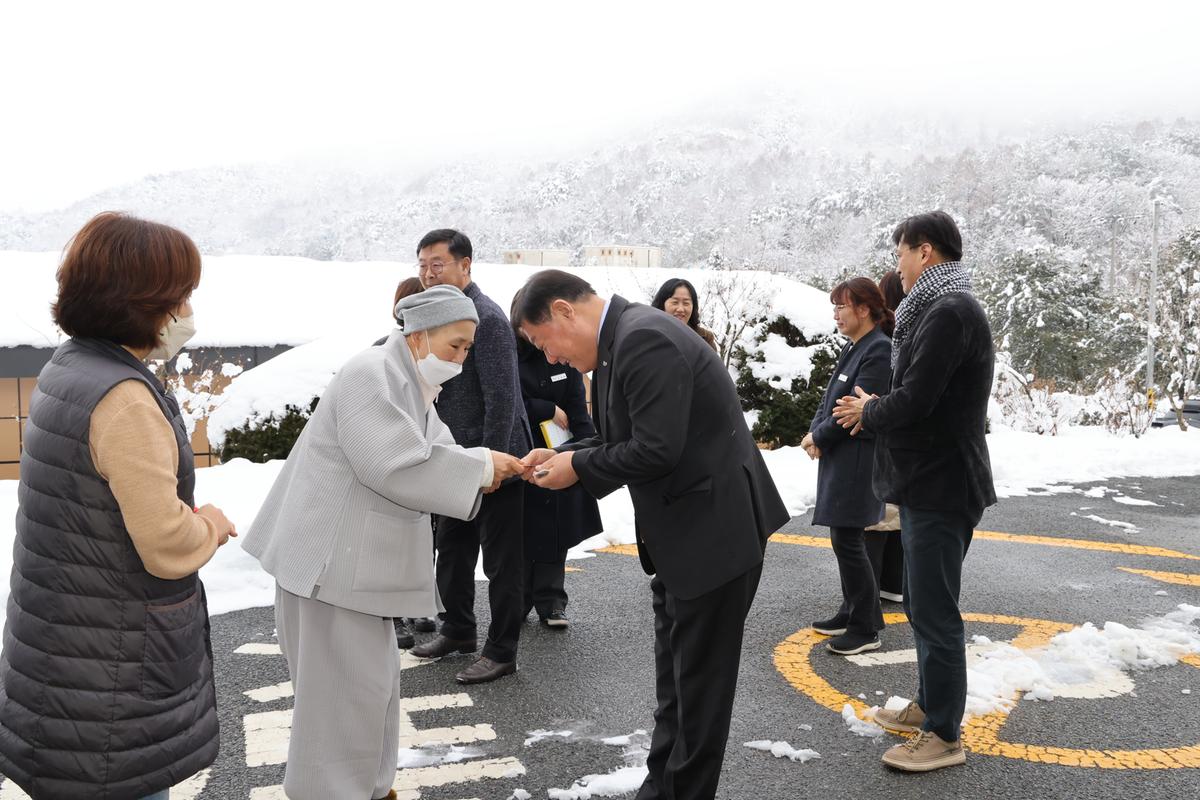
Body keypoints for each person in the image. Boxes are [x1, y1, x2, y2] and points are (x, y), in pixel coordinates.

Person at [242, 286, 526, 800]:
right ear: (419, 336)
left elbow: (436, 448)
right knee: (339, 705)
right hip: (329, 571)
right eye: (455, 346)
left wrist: (489, 463)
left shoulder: (406, 379)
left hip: (349, 575)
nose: (461, 359)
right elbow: (393, 463)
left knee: (367, 695)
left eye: (467, 348)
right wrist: (484, 466)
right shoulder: (371, 374)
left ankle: (371, 789)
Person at [516, 270, 789, 800]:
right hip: (688, 538)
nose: (549, 359)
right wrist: (567, 453)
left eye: (542, 342)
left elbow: (656, 450)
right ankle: (661, 788)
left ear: (564, 312)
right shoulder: (625, 338)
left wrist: (579, 468)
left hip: (712, 538)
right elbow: (629, 437)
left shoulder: (642, 339)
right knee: (679, 689)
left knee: (698, 695)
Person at [0, 212, 237, 800]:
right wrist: (209, 523)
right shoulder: (124, 398)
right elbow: (165, 543)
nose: (185, 312)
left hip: (64, 652)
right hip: (110, 673)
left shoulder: (71, 367)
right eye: (179, 296)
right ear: (142, 301)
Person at [833, 211, 996, 773]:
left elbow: (918, 398)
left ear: (924, 252)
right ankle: (930, 706)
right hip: (931, 479)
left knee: (934, 610)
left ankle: (944, 735)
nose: (896, 266)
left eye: (901, 253)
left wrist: (868, 408)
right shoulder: (937, 308)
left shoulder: (950, 312)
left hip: (944, 484)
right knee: (926, 607)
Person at [409, 229, 533, 685]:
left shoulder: (488, 318)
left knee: (502, 562)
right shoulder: (435, 316)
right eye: (422, 264)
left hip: (494, 461)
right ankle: (458, 630)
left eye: (437, 264)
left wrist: (492, 465)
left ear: (465, 266)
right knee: (454, 551)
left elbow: (503, 398)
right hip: (452, 459)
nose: (427, 272)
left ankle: (502, 651)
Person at [801, 277, 894, 656]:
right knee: (846, 540)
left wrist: (820, 437)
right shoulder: (857, 347)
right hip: (842, 458)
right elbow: (831, 401)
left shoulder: (878, 350)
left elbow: (853, 412)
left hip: (857, 459)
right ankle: (852, 609)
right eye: (835, 307)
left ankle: (866, 626)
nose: (837, 314)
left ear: (865, 309)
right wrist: (814, 431)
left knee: (848, 540)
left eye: (843, 306)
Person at [512, 292, 603, 628]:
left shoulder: (564, 357)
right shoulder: (511, 356)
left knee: (555, 530)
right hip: (524, 450)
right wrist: (546, 408)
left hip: (561, 450)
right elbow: (511, 400)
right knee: (523, 531)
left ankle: (552, 601)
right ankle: (517, 600)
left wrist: (586, 450)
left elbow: (578, 407)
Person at [373, 275, 436, 648]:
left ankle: (416, 605)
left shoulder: (434, 353)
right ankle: (391, 614)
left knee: (420, 540)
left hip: (421, 461)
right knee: (390, 541)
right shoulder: (382, 353)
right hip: (395, 462)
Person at [864, 269, 906, 604]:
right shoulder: (908, 333)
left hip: (883, 440)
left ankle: (868, 592)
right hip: (903, 443)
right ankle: (894, 582)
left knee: (876, 520)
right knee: (896, 517)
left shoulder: (881, 342)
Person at [651, 278, 718, 352]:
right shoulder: (650, 335)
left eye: (686, 303)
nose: (680, 309)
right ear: (662, 304)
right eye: (675, 302)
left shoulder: (705, 338)